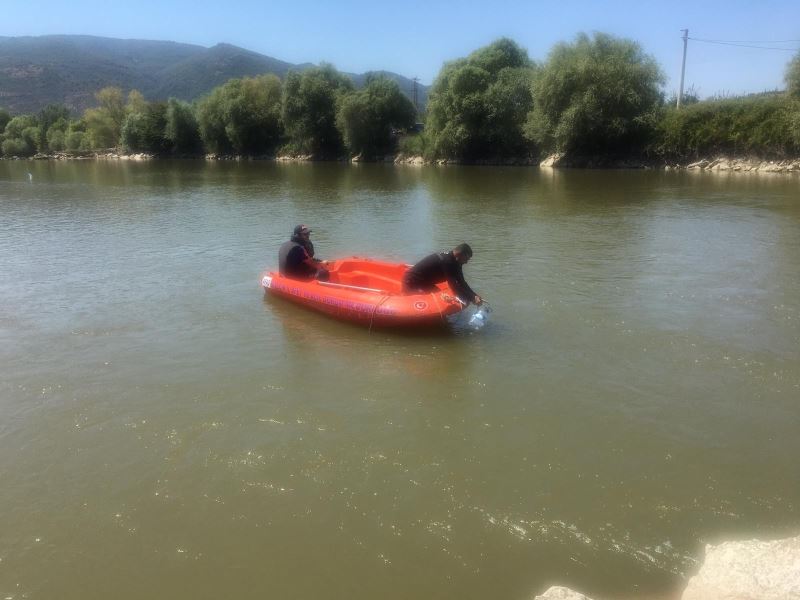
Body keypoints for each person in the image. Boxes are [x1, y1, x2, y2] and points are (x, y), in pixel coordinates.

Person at [403, 243, 483, 305]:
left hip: (425, 283)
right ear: (459, 254)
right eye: (466, 259)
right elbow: (453, 284)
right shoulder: (447, 261)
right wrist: (471, 298)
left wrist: (474, 295)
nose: (466, 262)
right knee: (420, 302)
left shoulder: (457, 262)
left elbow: (461, 281)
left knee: (441, 299)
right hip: (411, 281)